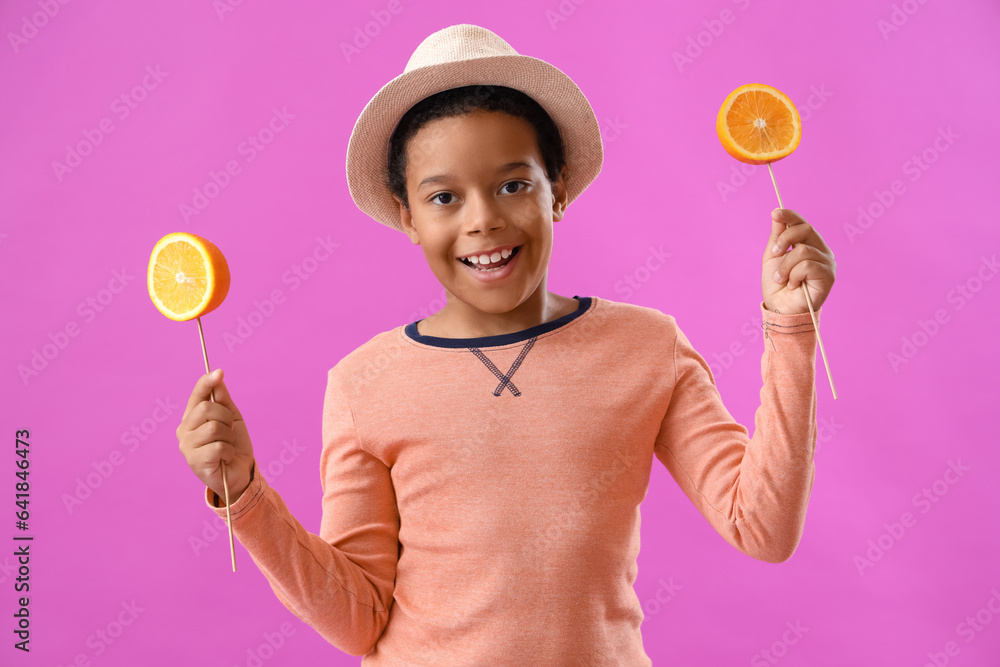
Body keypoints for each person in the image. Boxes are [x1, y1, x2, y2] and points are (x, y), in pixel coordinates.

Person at [177, 23, 836, 665]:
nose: (483, 218)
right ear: (407, 214)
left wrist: (791, 330)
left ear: (561, 189)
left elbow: (764, 527)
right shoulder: (363, 383)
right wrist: (247, 496)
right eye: (443, 196)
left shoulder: (646, 346)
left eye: (514, 184)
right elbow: (359, 622)